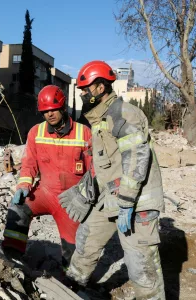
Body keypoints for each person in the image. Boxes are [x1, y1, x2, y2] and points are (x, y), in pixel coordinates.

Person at [59, 61, 165, 299]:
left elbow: (137, 157)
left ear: (99, 87)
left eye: (85, 90)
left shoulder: (123, 114)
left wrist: (127, 202)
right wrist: (87, 188)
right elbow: (109, 162)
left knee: (141, 265)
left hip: (137, 203)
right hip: (113, 197)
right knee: (87, 237)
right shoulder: (100, 120)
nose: (83, 94)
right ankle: (71, 286)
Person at [1, 85, 92, 269]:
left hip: (71, 200)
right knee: (18, 208)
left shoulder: (84, 133)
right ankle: (13, 258)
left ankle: (71, 282)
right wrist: (24, 185)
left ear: (63, 107)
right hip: (45, 192)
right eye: (45, 111)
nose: (49, 115)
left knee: (73, 254)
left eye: (53, 110)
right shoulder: (36, 132)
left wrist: (85, 198)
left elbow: (93, 171)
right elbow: (29, 164)